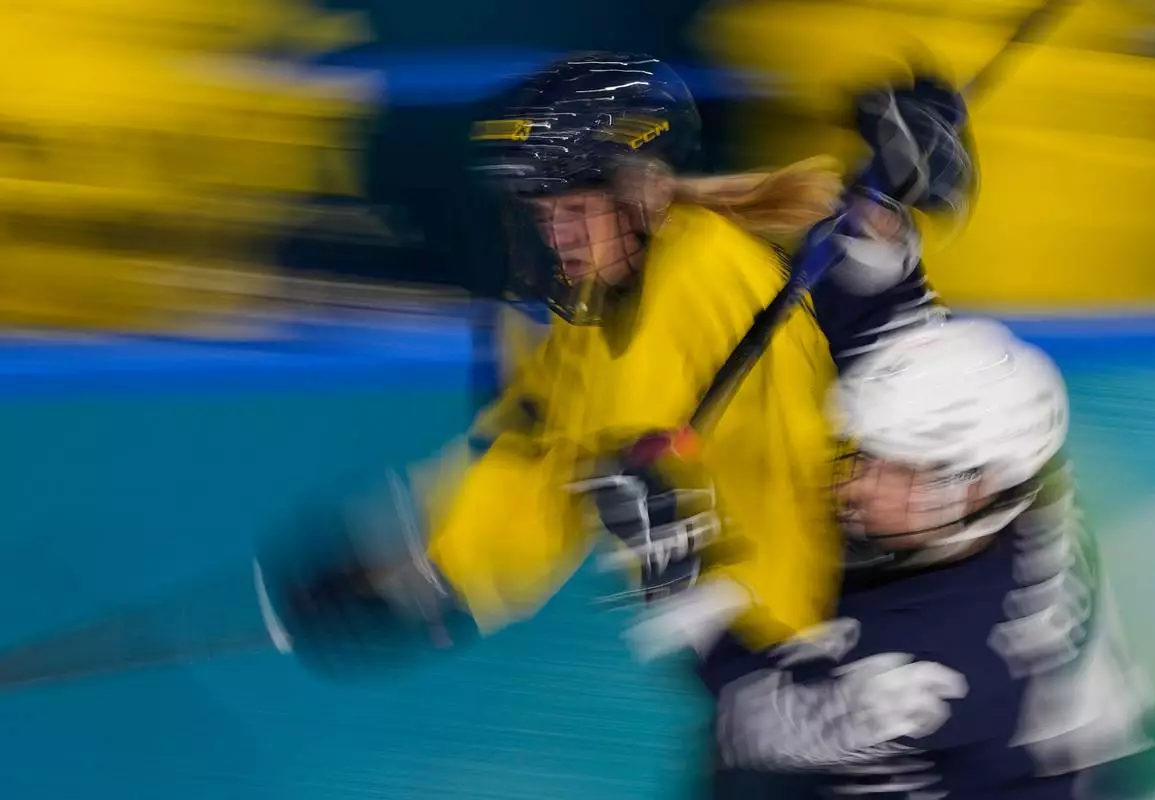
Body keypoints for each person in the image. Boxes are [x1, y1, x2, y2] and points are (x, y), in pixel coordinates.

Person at [252, 53, 974, 702]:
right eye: (540, 213)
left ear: (644, 191)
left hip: (846, 645)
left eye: (573, 209)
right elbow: (543, 453)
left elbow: (882, 376)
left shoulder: (713, 278)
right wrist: (439, 573)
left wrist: (885, 246)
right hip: (757, 664)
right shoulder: (591, 310)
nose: (555, 234)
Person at [649, 318, 1155, 799]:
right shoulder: (1025, 480)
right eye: (868, 455)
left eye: (901, 471)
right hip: (1065, 748)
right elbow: (894, 328)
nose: (859, 485)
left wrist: (678, 569)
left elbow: (750, 714)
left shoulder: (932, 669)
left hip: (992, 762)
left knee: (753, 779)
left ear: (977, 489)